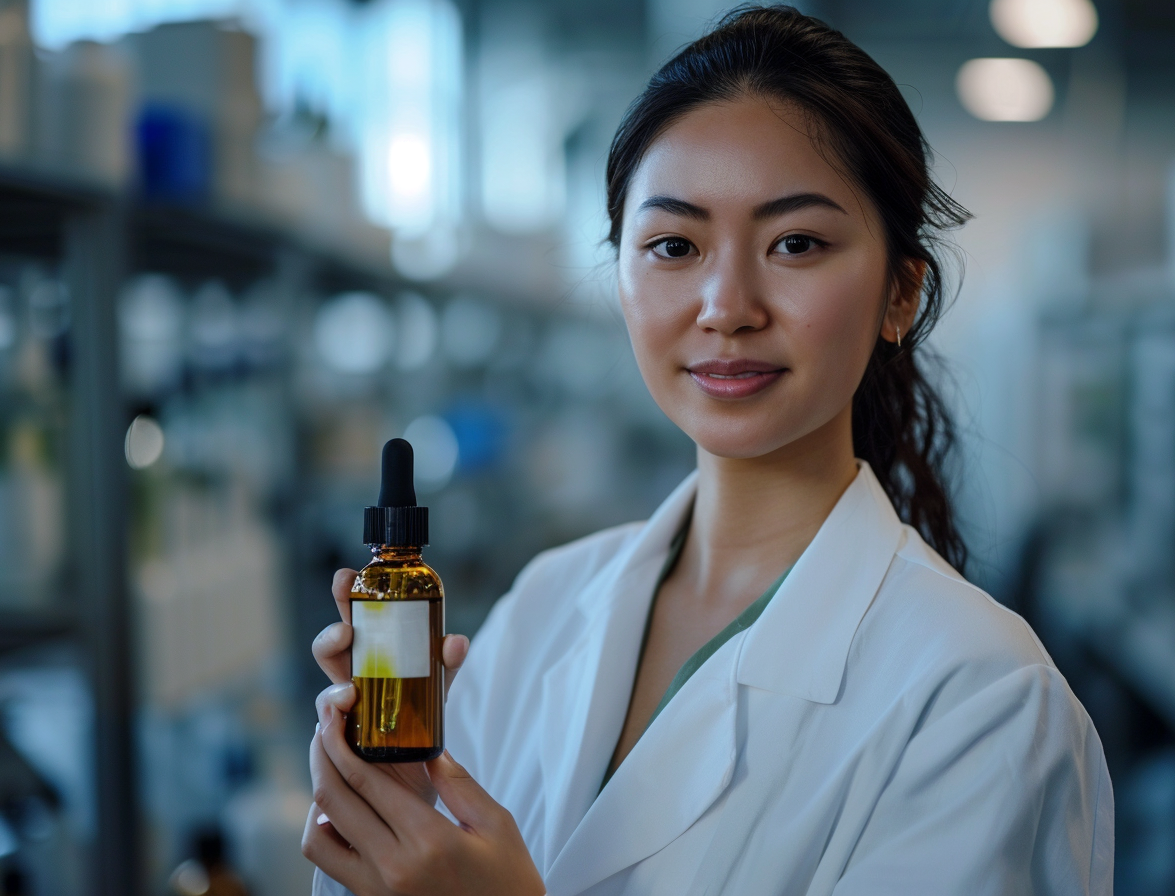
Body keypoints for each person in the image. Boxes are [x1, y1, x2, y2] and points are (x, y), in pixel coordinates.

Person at [303, 6, 1114, 895]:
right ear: (621, 280)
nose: (727, 305)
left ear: (900, 295)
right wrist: (390, 807)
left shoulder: (983, 702)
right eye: (674, 246)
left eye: (795, 243)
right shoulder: (545, 607)